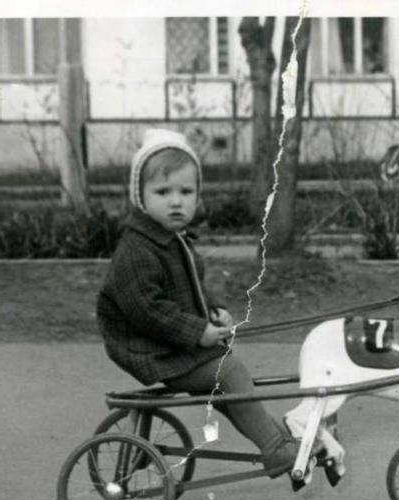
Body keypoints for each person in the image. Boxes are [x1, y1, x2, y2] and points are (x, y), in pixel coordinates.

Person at [96, 128, 298, 479]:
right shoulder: (137, 251)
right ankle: (274, 448)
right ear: (140, 197)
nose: (176, 201)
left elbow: (190, 289)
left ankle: (276, 439)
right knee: (229, 371)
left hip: (168, 344)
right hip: (150, 350)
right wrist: (198, 331)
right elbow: (148, 310)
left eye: (186, 192)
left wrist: (213, 311)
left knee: (226, 379)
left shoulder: (172, 241)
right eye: (163, 192)